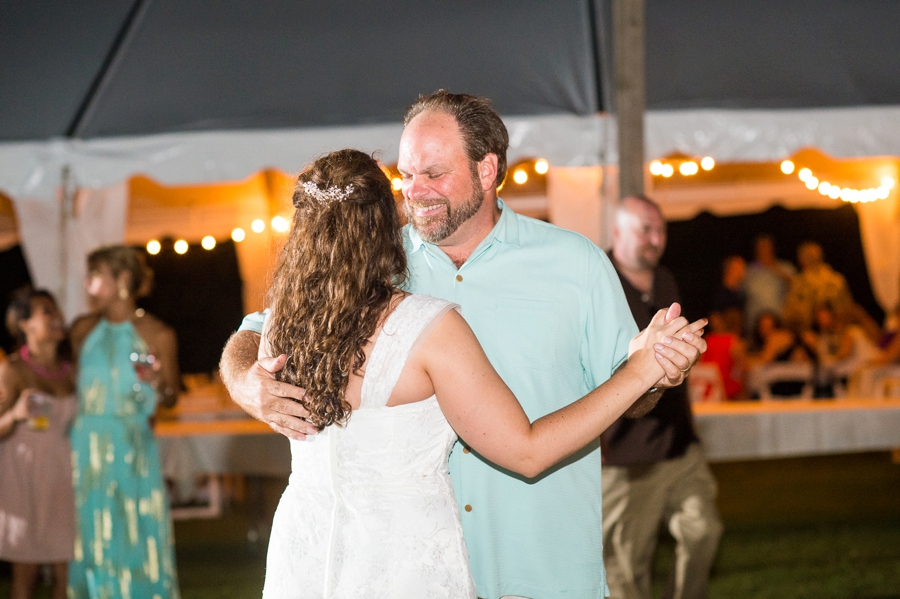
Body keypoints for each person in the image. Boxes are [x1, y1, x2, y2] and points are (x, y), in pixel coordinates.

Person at [219, 91, 706, 599]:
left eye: (434, 173)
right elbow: (257, 330)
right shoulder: (371, 267)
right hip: (417, 567)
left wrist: (657, 371)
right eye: (406, 175)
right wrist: (244, 380)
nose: (416, 190)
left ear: (487, 168)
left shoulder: (575, 264)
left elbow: (632, 392)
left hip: (541, 565)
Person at [602, 195, 723, 599]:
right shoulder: (597, 284)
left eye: (661, 230)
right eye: (645, 230)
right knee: (625, 568)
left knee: (703, 529)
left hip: (678, 443)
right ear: (617, 232)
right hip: (625, 454)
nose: (656, 239)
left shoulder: (666, 280)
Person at [67, 245, 181, 599]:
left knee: (136, 531)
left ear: (123, 280)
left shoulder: (159, 334)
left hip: (133, 447)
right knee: (91, 533)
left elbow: (171, 397)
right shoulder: (82, 331)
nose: (87, 285)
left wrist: (158, 382)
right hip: (85, 449)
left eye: (96, 275)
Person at [0, 288, 77, 599]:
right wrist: (16, 414)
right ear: (24, 324)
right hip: (25, 480)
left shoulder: (72, 370)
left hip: (65, 479)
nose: (58, 316)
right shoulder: (13, 370)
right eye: (47, 311)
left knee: (66, 574)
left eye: (57, 309)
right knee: (26, 577)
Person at [781, 241, 853, 332]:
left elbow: (792, 315)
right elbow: (847, 309)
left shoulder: (801, 282)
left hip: (814, 334)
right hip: (838, 331)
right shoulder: (837, 279)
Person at [743, 234, 796, 334]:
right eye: (761, 247)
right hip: (754, 327)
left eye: (767, 247)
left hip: (779, 324)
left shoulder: (786, 268)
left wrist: (775, 268)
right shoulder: (747, 271)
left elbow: (797, 287)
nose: (764, 251)